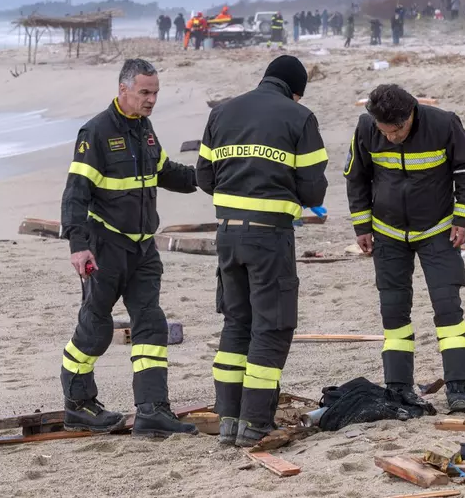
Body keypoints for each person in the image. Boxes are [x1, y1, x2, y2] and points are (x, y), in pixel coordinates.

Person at [59, 59, 199, 437]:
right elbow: (75, 192)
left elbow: (167, 171)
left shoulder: (145, 129)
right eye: (145, 92)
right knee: (96, 327)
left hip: (142, 250)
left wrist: (210, 175)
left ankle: (152, 409)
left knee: (150, 322)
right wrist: (78, 244)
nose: (152, 99)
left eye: (155, 92)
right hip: (104, 247)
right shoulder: (96, 132)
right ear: (123, 90)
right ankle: (77, 404)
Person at [196, 56, 328, 447]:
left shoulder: (222, 113)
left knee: (237, 324)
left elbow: (204, 177)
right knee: (272, 327)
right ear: (296, 89)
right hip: (270, 238)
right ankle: (255, 423)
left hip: (227, 235)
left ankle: (228, 421)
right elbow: (313, 191)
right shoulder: (299, 117)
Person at [344, 84, 465, 413]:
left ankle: (459, 389)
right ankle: (398, 386)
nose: (390, 137)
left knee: (448, 309)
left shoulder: (444, 123)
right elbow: (356, 178)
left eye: (397, 130)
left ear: (411, 116)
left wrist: (463, 219)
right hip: (387, 233)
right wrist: (362, 227)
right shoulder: (366, 128)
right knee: (393, 312)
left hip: (438, 231)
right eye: (384, 131)